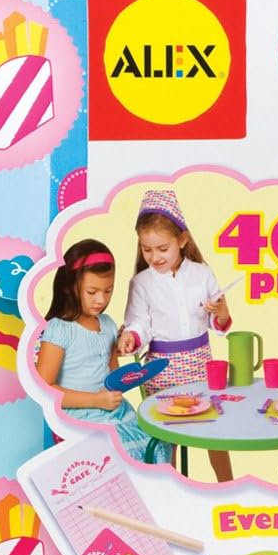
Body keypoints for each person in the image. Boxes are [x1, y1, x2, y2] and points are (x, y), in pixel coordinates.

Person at [116, 187, 235, 483]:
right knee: (166, 436)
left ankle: (227, 486)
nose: (154, 256)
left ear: (182, 240)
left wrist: (221, 312)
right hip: (162, 371)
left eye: (162, 248)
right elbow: (138, 323)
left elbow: (217, 321)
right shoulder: (141, 282)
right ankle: (169, 488)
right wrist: (131, 336)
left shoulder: (202, 273)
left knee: (214, 430)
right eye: (147, 249)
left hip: (201, 365)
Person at [34, 239, 151, 462]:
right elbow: (45, 390)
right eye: (92, 291)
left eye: (108, 290)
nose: (101, 300)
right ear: (69, 286)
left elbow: (113, 378)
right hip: (79, 417)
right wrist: (96, 400)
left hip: (113, 412)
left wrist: (123, 354)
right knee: (123, 457)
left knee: (151, 446)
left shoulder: (107, 324)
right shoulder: (59, 329)